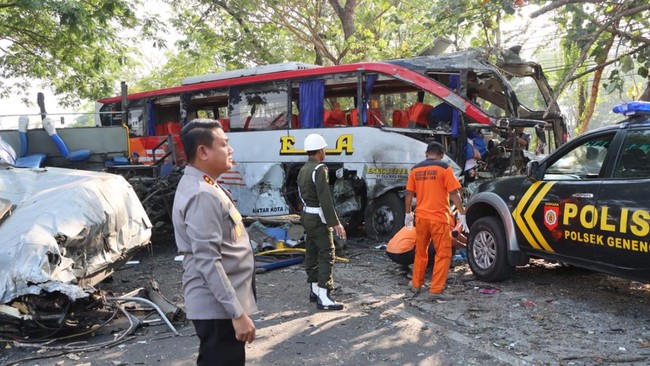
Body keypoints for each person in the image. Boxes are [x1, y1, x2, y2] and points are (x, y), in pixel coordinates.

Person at [172, 119, 257, 366]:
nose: (230, 150)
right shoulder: (202, 194)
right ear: (203, 152)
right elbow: (208, 260)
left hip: (219, 306)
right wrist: (237, 313)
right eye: (224, 144)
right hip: (218, 309)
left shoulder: (207, 185)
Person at [404, 141, 466, 301]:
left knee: (421, 252)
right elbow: (454, 193)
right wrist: (462, 213)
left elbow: (409, 194)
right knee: (443, 254)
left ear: (426, 154)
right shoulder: (444, 168)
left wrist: (408, 213)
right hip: (439, 218)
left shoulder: (415, 170)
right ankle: (436, 289)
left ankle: (416, 285)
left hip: (421, 218)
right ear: (441, 155)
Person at [297, 133, 347, 311]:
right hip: (318, 218)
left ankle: (314, 289)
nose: (324, 152)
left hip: (307, 217)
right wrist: (336, 223)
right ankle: (325, 296)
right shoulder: (320, 169)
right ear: (319, 150)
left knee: (311, 251)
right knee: (327, 252)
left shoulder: (303, 170)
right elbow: (325, 199)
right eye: (324, 149)